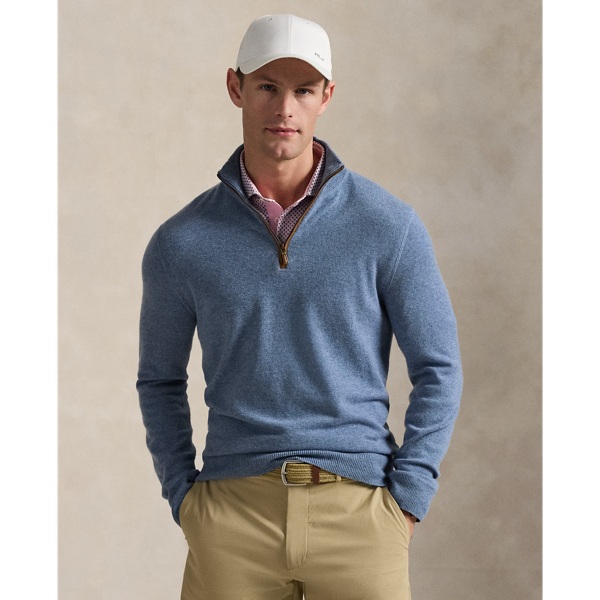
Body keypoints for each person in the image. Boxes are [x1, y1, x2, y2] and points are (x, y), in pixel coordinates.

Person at [137, 13, 462, 600]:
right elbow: (159, 379)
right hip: (231, 515)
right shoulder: (180, 242)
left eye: (304, 90)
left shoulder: (388, 226)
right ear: (235, 86)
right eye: (267, 86)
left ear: (326, 97)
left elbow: (439, 368)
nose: (285, 108)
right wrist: (186, 500)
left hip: (361, 512)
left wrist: (408, 499)